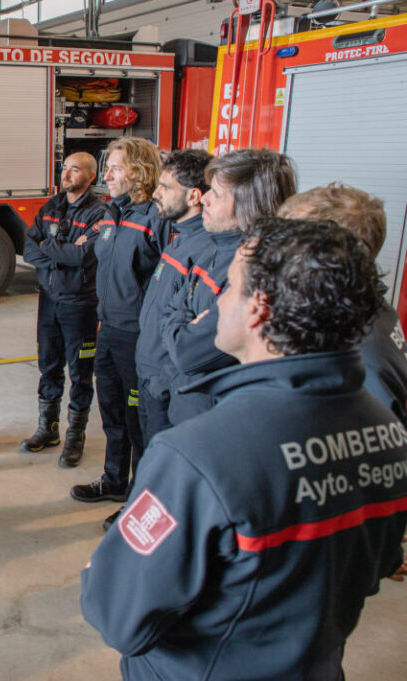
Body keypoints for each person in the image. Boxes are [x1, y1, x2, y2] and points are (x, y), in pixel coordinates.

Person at [81, 217, 407, 680]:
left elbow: (118, 615)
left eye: (229, 286)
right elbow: (378, 565)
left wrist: (103, 570)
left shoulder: (197, 455)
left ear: (259, 309)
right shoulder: (389, 432)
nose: (217, 300)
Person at [160, 148, 297, 426]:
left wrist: (180, 321)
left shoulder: (254, 271)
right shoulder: (214, 248)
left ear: (249, 206)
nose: (204, 199)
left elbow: (188, 352)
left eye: (216, 193)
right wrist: (184, 319)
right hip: (187, 406)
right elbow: (173, 306)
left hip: (213, 421)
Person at [70, 137, 167, 504]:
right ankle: (114, 479)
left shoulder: (156, 218)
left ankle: (138, 495)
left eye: (115, 168)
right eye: (106, 168)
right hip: (108, 329)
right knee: (111, 411)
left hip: (138, 337)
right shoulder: (112, 213)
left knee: (138, 419)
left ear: (139, 172)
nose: (106, 175)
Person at [278, 183, 407, 424]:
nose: (275, 252)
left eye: (288, 243)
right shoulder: (362, 305)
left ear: (330, 258)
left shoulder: (359, 353)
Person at [20, 152, 105, 467]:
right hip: (49, 301)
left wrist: (49, 247)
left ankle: (75, 438)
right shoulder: (51, 207)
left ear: (91, 176)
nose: (66, 174)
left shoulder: (100, 213)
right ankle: (48, 429)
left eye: (75, 169)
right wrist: (62, 251)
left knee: (81, 374)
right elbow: (29, 248)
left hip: (80, 304)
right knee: (49, 366)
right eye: (64, 168)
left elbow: (85, 257)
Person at [133, 149, 211, 444]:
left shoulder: (205, 251)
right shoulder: (180, 240)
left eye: (165, 187)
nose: (155, 194)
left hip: (164, 386)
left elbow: (200, 334)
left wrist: (165, 380)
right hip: (148, 374)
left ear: (193, 196)